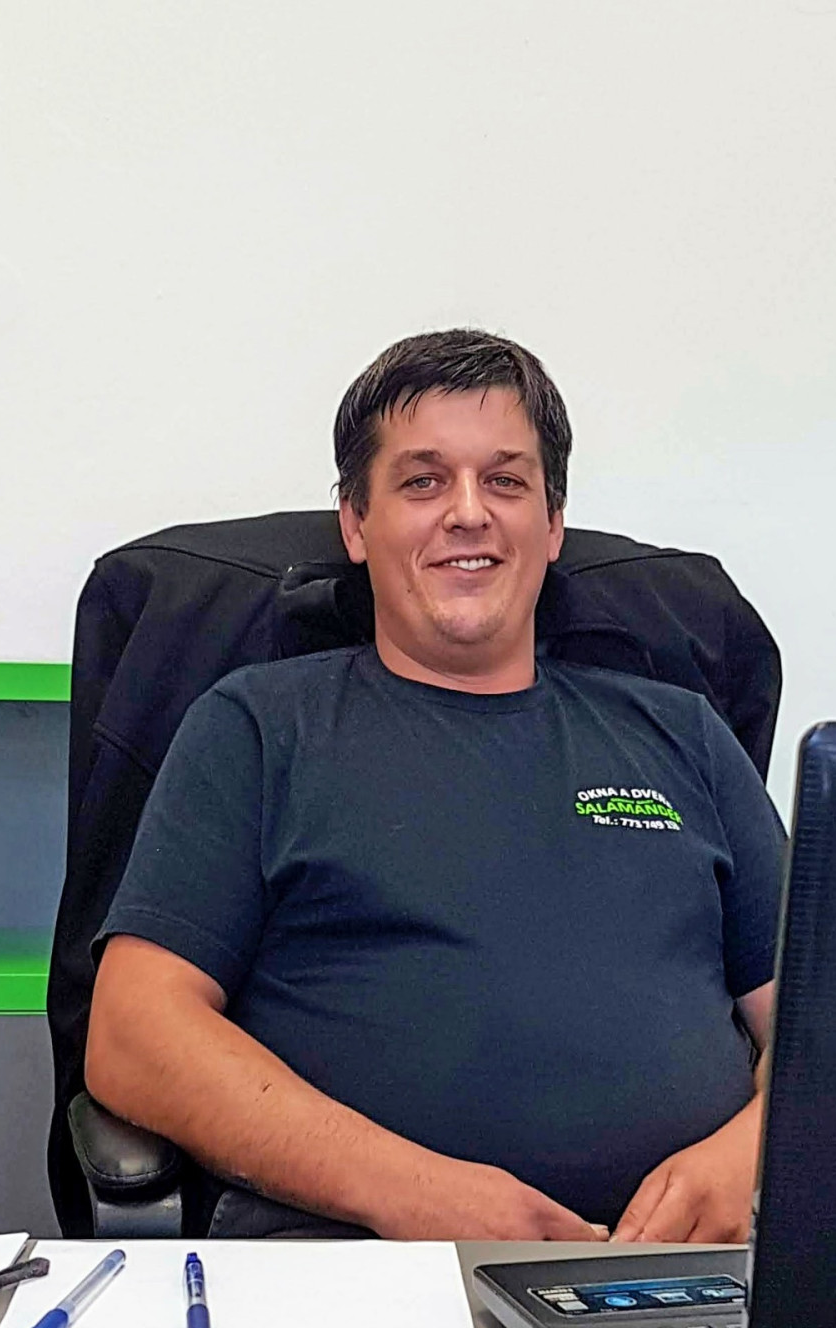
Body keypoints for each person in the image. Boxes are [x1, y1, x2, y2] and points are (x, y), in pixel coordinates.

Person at [85, 329, 785, 1242]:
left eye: (506, 481)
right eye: (422, 482)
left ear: (553, 523)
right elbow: (133, 1034)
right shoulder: (258, 728)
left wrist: (750, 1159)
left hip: (672, 1272)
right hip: (357, 1262)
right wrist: (418, 1195)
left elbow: (828, 1029)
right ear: (356, 523)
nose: (468, 513)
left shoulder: (683, 735)